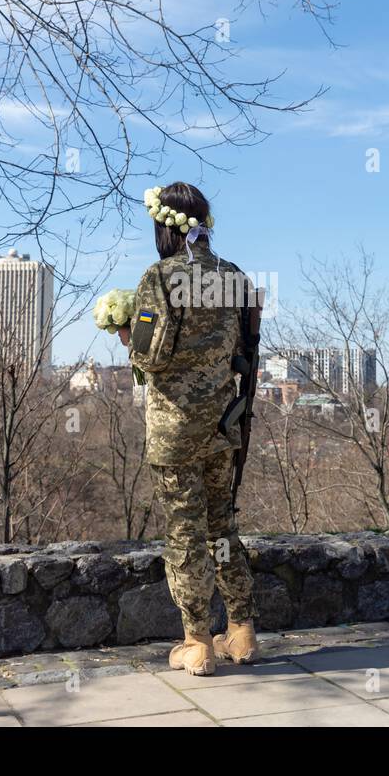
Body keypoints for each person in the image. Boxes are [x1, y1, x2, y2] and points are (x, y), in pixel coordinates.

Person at [119, 182, 258, 676]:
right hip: (224, 426)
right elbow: (245, 349)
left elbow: (150, 355)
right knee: (223, 528)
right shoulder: (235, 277)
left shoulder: (160, 277)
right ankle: (241, 632)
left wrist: (124, 333)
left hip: (176, 431)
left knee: (185, 534)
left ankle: (197, 642)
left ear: (164, 226)